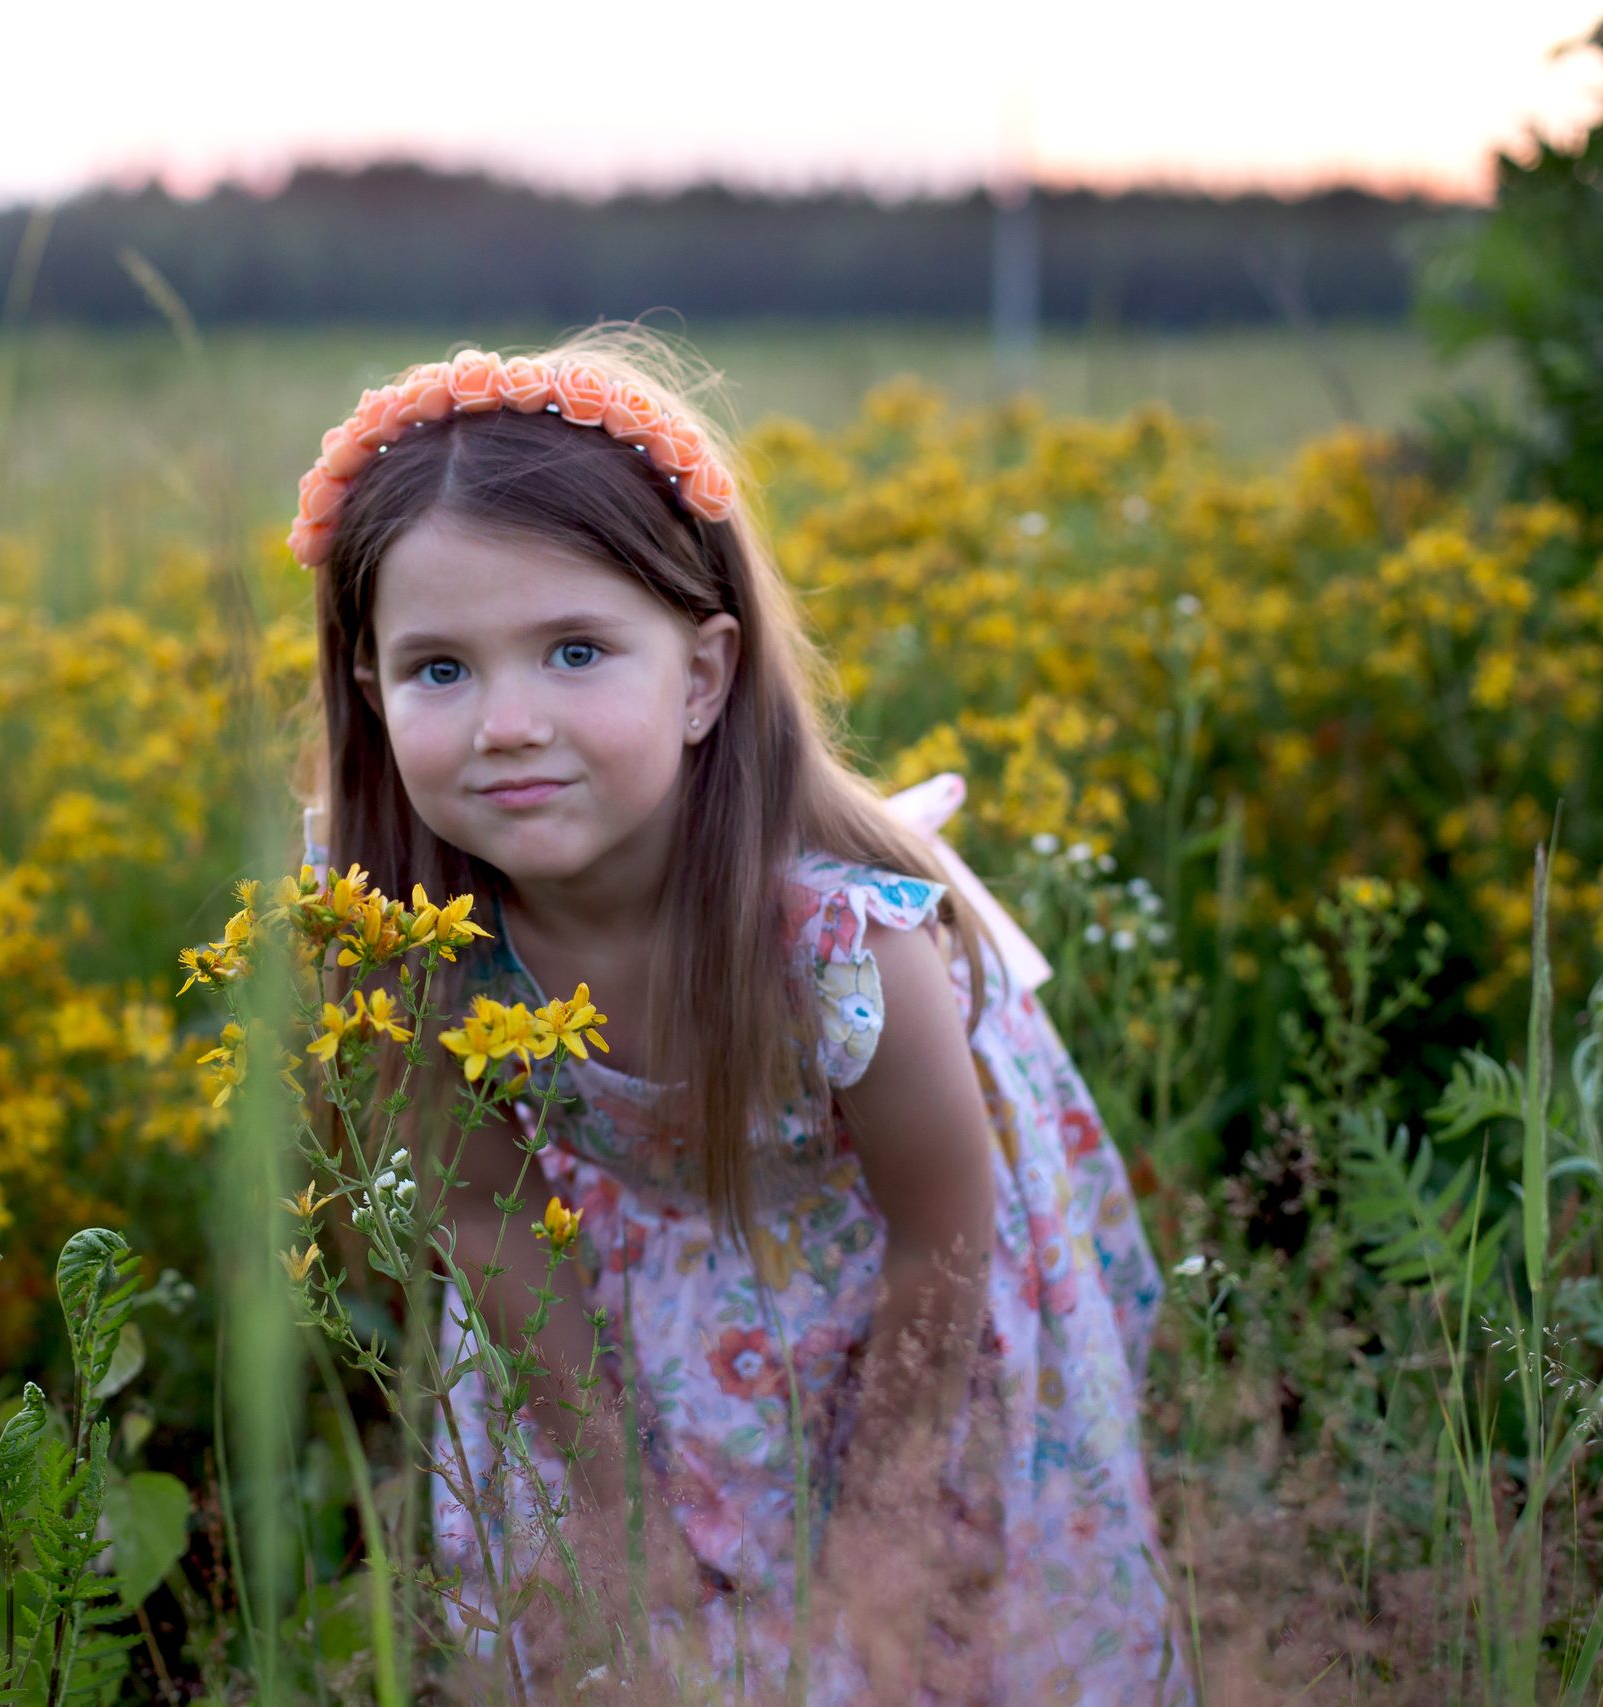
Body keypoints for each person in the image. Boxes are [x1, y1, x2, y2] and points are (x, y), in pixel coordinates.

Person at [294, 331, 1182, 1704]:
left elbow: (944, 1236)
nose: (506, 722)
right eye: (439, 670)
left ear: (703, 676)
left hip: (892, 1320)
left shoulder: (840, 947)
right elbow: (480, 1220)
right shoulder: (395, 930)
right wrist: (610, 1515)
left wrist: (883, 1535)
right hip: (591, 1332)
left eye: (575, 650)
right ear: (371, 690)